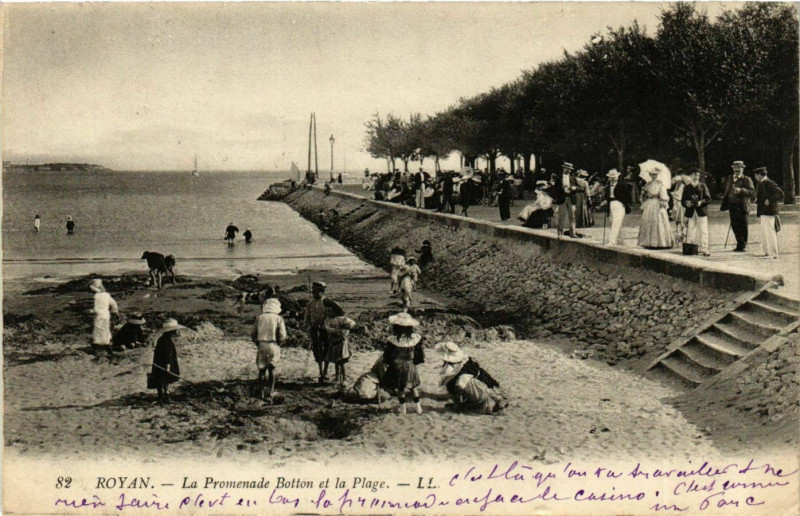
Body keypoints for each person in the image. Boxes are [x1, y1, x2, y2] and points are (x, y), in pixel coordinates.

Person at [436, 341, 507, 414]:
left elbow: (459, 394)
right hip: (485, 389)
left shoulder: (460, 378)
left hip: (481, 400)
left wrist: (457, 405)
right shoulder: (468, 362)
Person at [378, 313, 425, 414]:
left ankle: (402, 408)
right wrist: (415, 362)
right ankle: (418, 407)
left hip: (397, 365)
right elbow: (419, 353)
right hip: (410, 365)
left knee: (400, 388)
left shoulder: (393, 340)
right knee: (413, 386)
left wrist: (388, 362)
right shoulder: (415, 338)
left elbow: (387, 355)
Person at [304, 281, 343, 384]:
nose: (314, 293)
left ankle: (325, 372)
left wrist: (331, 320)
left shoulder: (326, 301)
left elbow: (340, 311)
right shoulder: (310, 302)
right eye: (313, 292)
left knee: (327, 349)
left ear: (322, 292)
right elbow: (307, 316)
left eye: (316, 292)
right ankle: (321, 372)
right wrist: (307, 325)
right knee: (317, 350)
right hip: (314, 329)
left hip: (325, 330)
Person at [251, 298, 287, 399]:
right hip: (273, 344)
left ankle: (261, 392)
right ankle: (271, 391)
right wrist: (279, 343)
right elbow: (283, 335)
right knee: (272, 369)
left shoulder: (259, 318)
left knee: (261, 370)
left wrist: (257, 342)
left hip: (261, 344)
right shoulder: (278, 318)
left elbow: (253, 333)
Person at [720, 161, 756, 252]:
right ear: (733, 168)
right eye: (735, 167)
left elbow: (753, 193)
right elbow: (726, 190)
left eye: (739, 167)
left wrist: (741, 190)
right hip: (732, 205)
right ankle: (740, 243)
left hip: (743, 205)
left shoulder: (747, 179)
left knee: (743, 225)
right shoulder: (729, 178)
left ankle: (743, 244)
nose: (737, 169)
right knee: (735, 225)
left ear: (742, 169)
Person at [638, 168, 675, 249]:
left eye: (655, 174)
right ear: (650, 175)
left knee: (659, 220)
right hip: (649, 203)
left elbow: (664, 196)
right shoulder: (647, 184)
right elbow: (643, 197)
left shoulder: (660, 183)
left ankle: (661, 242)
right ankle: (648, 242)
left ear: (657, 175)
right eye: (652, 174)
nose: (653, 176)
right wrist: (644, 193)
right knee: (648, 220)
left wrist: (662, 201)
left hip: (657, 203)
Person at [753, 167, 784, 259]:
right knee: (764, 232)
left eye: (756, 175)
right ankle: (765, 251)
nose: (755, 177)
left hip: (770, 212)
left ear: (759, 175)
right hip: (764, 211)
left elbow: (780, 193)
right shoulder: (761, 183)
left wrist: (769, 200)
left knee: (770, 232)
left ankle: (774, 253)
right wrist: (758, 199)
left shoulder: (770, 183)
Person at [150, 318, 183, 402]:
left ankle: (163, 394)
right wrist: (168, 365)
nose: (176, 331)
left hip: (159, 363)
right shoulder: (166, 341)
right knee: (164, 379)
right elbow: (167, 354)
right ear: (171, 331)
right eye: (175, 330)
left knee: (162, 379)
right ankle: (164, 394)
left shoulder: (163, 339)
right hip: (164, 363)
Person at [682, 169, 712, 256]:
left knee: (703, 230)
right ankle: (691, 248)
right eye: (694, 175)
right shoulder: (687, 187)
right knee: (690, 230)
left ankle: (704, 249)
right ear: (690, 176)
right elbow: (683, 200)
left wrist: (700, 202)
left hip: (701, 211)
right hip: (691, 212)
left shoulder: (703, 186)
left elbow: (709, 199)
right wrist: (686, 204)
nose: (696, 177)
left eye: (697, 175)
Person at [600, 169, 631, 246]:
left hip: (619, 205)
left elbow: (628, 197)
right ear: (609, 178)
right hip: (611, 205)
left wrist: (624, 202)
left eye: (614, 177)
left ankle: (612, 241)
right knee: (614, 222)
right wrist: (606, 201)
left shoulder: (622, 185)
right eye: (611, 177)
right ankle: (620, 241)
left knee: (616, 223)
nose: (613, 178)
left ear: (617, 177)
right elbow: (608, 197)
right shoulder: (607, 186)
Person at [325, 314, 357, 388]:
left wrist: (346, 326)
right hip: (334, 342)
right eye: (328, 310)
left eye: (331, 310)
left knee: (342, 361)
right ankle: (337, 377)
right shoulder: (328, 320)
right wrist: (337, 331)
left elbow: (352, 323)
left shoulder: (342, 319)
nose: (329, 312)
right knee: (337, 360)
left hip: (342, 342)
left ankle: (344, 379)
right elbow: (328, 329)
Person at [89, 279, 119, 352]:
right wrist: (115, 312)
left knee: (98, 329)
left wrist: (91, 311)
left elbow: (97, 308)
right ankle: (106, 345)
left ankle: (97, 346)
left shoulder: (97, 296)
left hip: (99, 315)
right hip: (106, 314)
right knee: (105, 329)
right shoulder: (107, 295)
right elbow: (114, 304)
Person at [553, 162, 578, 238]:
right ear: (564, 168)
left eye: (570, 169)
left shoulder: (573, 178)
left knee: (572, 216)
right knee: (561, 216)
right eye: (567, 169)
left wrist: (574, 188)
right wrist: (562, 188)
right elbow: (555, 189)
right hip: (562, 198)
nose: (569, 171)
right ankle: (560, 233)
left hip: (571, 198)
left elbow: (579, 187)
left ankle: (572, 233)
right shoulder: (558, 178)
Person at [670, 175, 689, 244]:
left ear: (681, 181)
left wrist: (673, 194)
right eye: (677, 182)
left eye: (679, 181)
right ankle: (678, 234)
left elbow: (679, 195)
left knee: (681, 220)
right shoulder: (677, 187)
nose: (678, 183)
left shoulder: (683, 187)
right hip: (676, 204)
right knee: (677, 220)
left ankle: (681, 234)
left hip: (680, 204)